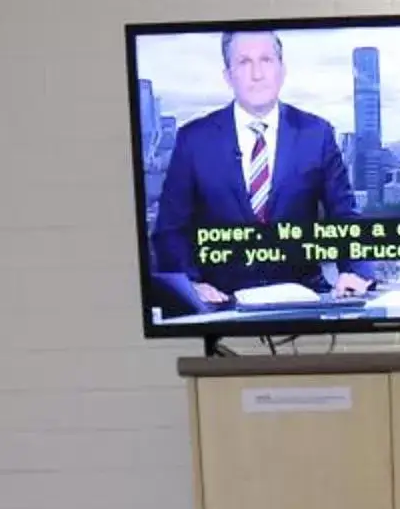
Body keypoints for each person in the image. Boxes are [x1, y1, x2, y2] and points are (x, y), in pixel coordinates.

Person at [149, 29, 368, 313]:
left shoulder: (317, 133)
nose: (257, 74)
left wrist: (355, 271)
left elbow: (344, 217)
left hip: (305, 300)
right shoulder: (194, 139)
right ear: (228, 76)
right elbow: (170, 230)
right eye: (244, 62)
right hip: (221, 301)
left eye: (266, 60)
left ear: (282, 70)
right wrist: (191, 284)